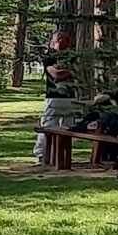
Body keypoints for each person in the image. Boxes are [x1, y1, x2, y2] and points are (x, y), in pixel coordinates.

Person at [35, 30, 79, 166]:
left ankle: (64, 157)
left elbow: (77, 71)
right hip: (53, 98)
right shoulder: (49, 57)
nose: (60, 42)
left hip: (69, 98)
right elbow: (56, 74)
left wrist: (69, 71)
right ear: (52, 42)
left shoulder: (72, 56)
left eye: (63, 39)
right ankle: (42, 156)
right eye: (58, 39)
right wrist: (68, 71)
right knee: (47, 127)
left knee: (68, 128)